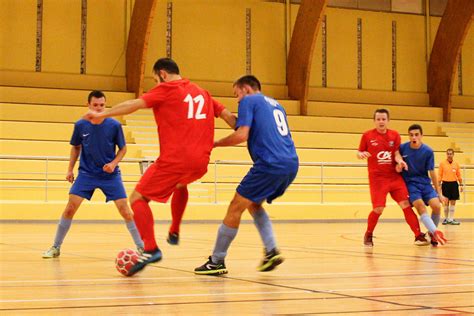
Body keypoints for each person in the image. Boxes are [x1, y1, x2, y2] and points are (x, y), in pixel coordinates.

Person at [84, 58, 236, 275]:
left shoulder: (166, 89)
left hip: (175, 159)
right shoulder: (203, 93)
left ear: (163, 74)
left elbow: (133, 105)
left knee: (137, 198)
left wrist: (102, 114)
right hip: (201, 161)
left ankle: (150, 248)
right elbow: (229, 117)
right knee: (182, 184)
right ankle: (174, 230)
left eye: (156, 80)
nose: (157, 84)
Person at [194, 75, 299, 276]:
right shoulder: (276, 105)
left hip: (269, 163)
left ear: (246, 89)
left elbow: (242, 135)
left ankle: (216, 261)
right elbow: (246, 126)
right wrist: (222, 112)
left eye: (237, 94)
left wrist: (214, 144)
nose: (238, 100)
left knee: (235, 206)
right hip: (290, 163)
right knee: (253, 203)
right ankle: (271, 250)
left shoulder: (249, 101)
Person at [43, 90, 144, 258]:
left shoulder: (114, 125)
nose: (98, 108)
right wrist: (70, 169)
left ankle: (141, 247)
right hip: (86, 174)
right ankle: (55, 247)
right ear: (88, 105)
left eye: (102, 105)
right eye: (95, 105)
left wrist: (113, 164)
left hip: (110, 176)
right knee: (70, 209)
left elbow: (123, 149)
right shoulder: (80, 125)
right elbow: (75, 147)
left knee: (125, 210)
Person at [357, 109, 429, 247]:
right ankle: (369, 234)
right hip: (377, 179)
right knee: (378, 209)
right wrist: (360, 154)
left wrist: (400, 161)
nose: (381, 122)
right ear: (374, 121)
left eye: (383, 119)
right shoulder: (367, 136)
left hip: (394, 177)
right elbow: (359, 152)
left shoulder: (394, 135)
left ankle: (418, 236)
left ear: (388, 120)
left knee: (406, 205)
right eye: (378, 119)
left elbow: (396, 153)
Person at [398, 124, 447, 246]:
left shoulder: (428, 151)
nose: (414, 137)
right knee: (421, 208)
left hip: (425, 184)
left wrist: (439, 193)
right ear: (409, 136)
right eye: (411, 135)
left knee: (436, 206)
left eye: (416, 135)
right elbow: (396, 158)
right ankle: (435, 232)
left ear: (421, 136)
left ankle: (431, 233)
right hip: (411, 184)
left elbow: (432, 172)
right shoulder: (402, 148)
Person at [439, 148, 463, 225]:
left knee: (453, 202)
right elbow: (440, 174)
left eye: (451, 154)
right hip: (445, 184)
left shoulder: (456, 164)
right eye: (448, 154)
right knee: (446, 202)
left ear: (453, 154)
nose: (449, 155)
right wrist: (438, 184)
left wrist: (461, 184)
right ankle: (446, 219)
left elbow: (459, 174)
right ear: (447, 154)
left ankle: (451, 219)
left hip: (454, 184)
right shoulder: (442, 163)